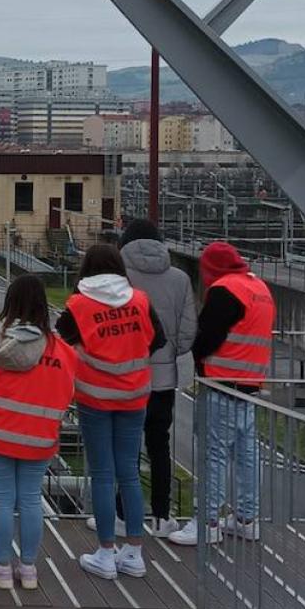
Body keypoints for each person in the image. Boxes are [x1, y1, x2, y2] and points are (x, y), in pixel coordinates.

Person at [0, 275, 77, 590]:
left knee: (2, 499)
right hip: (39, 438)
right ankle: (30, 568)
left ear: (9, 301)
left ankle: (2, 567)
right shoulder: (60, 350)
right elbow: (68, 392)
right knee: (31, 499)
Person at [56, 244, 165, 580]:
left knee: (103, 474)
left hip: (95, 398)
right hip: (135, 396)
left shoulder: (79, 304)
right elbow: (157, 340)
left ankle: (105, 552)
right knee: (129, 472)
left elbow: (61, 339)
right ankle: (134, 551)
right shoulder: (140, 300)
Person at [169, 242, 274, 547]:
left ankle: (207, 522)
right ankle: (246, 518)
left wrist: (195, 355)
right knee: (246, 454)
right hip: (250, 384)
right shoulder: (259, 289)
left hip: (222, 384)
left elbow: (206, 337)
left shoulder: (226, 291)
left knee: (212, 455)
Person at [98, 219, 196, 539]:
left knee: (124, 448)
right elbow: (187, 332)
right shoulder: (180, 279)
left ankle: (122, 515)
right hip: (163, 379)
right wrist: (166, 354)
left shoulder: (117, 278)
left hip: (124, 376)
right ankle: (161, 516)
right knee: (159, 446)